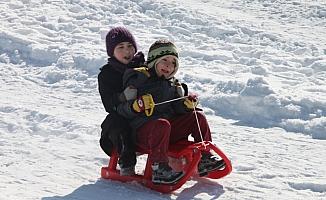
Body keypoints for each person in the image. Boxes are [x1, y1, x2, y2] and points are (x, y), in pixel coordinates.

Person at [116, 39, 225, 184]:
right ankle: (159, 168)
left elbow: (176, 108)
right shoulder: (138, 79)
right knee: (162, 124)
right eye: (164, 60)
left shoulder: (173, 84)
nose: (169, 65)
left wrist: (185, 105)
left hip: (167, 131)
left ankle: (205, 157)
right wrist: (137, 105)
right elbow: (121, 109)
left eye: (173, 62)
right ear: (153, 61)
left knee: (197, 115)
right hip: (143, 133)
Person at [98, 27, 145, 176]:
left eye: (130, 46)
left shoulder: (143, 67)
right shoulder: (106, 74)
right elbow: (108, 104)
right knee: (114, 121)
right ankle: (126, 159)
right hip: (123, 116)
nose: (127, 51)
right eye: (121, 47)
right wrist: (122, 97)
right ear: (112, 51)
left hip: (145, 112)